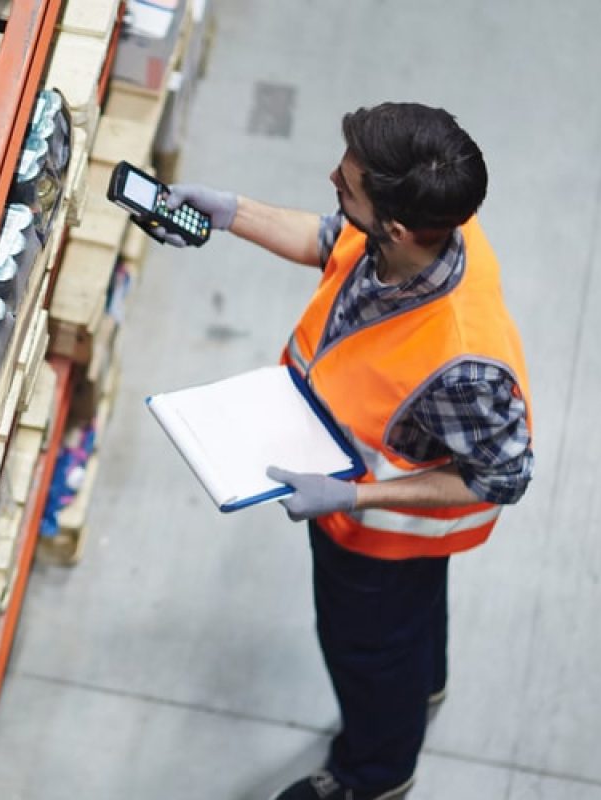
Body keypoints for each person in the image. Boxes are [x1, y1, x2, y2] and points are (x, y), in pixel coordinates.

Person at [156, 102, 533, 800]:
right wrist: (231, 211)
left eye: (348, 181)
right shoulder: (427, 229)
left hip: (374, 539)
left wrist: (354, 496)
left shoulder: (462, 362)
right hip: (384, 535)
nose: (333, 179)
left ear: (394, 226)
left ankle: (375, 775)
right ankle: (422, 688)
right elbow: (335, 238)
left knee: (367, 651)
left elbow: (503, 476)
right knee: (411, 631)